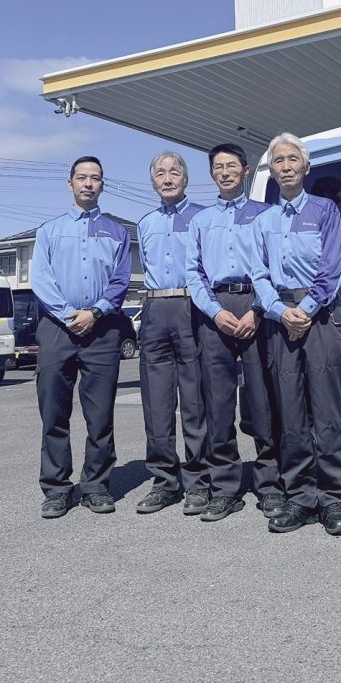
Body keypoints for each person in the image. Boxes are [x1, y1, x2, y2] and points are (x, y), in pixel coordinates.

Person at [250, 132, 341, 535]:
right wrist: (280, 312)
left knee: (327, 411)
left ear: (306, 167)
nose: (286, 166)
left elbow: (331, 268)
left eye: (293, 159)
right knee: (290, 412)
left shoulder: (324, 210)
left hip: (320, 315)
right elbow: (258, 275)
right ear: (272, 171)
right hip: (280, 318)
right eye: (279, 161)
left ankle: (333, 498)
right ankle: (300, 496)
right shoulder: (263, 221)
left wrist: (305, 311)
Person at [185, 143, 283, 522]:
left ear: (245, 170)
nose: (225, 172)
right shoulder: (201, 220)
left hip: (257, 305)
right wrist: (214, 311)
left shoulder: (266, 214)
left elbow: (277, 265)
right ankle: (225, 488)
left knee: (262, 398)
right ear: (212, 174)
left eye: (231, 166)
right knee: (218, 402)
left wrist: (258, 309)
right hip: (216, 309)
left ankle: (270, 485)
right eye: (218, 167)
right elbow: (193, 273)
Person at [32, 156, 131, 518]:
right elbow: (41, 279)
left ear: (102, 185)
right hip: (56, 329)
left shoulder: (117, 232)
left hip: (102, 330)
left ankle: (95, 486)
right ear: (70, 183)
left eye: (95, 178)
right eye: (82, 177)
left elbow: (121, 280)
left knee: (100, 415)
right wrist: (67, 315)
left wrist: (96, 312)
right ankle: (57, 488)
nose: (88, 183)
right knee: (54, 413)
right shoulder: (49, 231)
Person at [135, 152, 209, 516]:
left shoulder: (203, 217)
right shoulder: (145, 223)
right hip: (154, 308)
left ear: (185, 179)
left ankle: (198, 481)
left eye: (174, 172)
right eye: (160, 173)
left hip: (191, 306)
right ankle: (164, 480)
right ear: (153, 181)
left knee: (194, 400)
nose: (167, 178)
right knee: (157, 401)